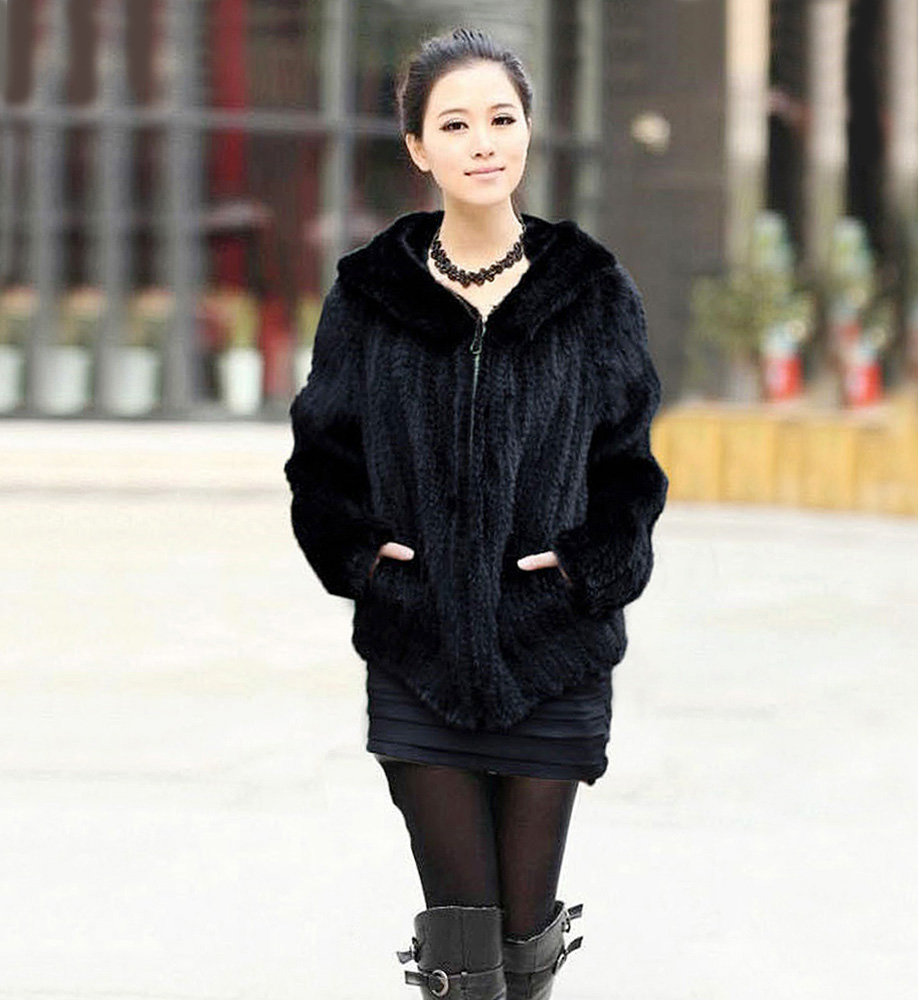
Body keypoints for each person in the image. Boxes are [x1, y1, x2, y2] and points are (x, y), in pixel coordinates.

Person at [284, 26, 667, 1000]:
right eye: (455, 125)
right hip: (418, 649)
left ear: (528, 131)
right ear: (418, 147)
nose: (483, 142)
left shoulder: (590, 287)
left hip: (554, 650)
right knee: (464, 951)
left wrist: (589, 565)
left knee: (524, 940)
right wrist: (364, 559)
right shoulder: (369, 292)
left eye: (501, 118)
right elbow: (321, 460)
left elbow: (628, 466)